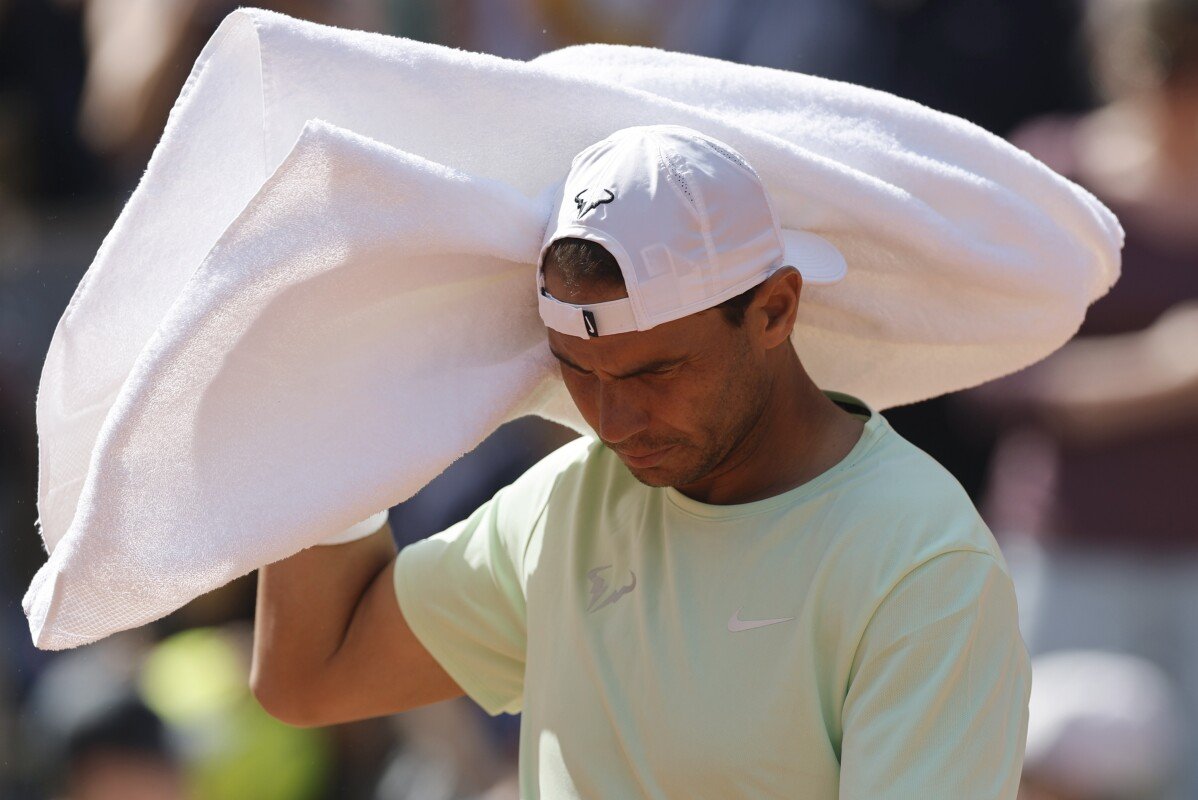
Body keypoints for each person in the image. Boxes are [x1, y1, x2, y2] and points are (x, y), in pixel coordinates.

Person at [250, 124, 1032, 798]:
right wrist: (330, 408)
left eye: (654, 372)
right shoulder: (569, 499)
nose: (612, 420)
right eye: (576, 372)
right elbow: (312, 672)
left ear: (775, 309)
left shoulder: (923, 564)